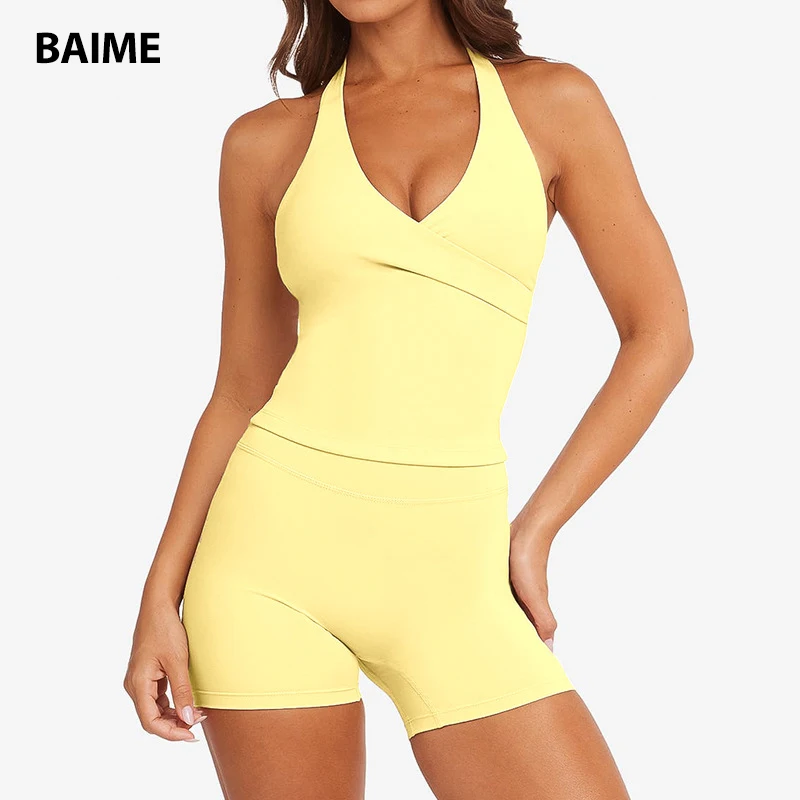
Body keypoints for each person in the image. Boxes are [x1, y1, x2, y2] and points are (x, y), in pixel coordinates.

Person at [124, 1, 693, 797]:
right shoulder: (265, 143)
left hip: (455, 573)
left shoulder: (552, 102)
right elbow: (242, 388)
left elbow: (659, 337)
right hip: (265, 569)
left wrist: (535, 530)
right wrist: (160, 594)